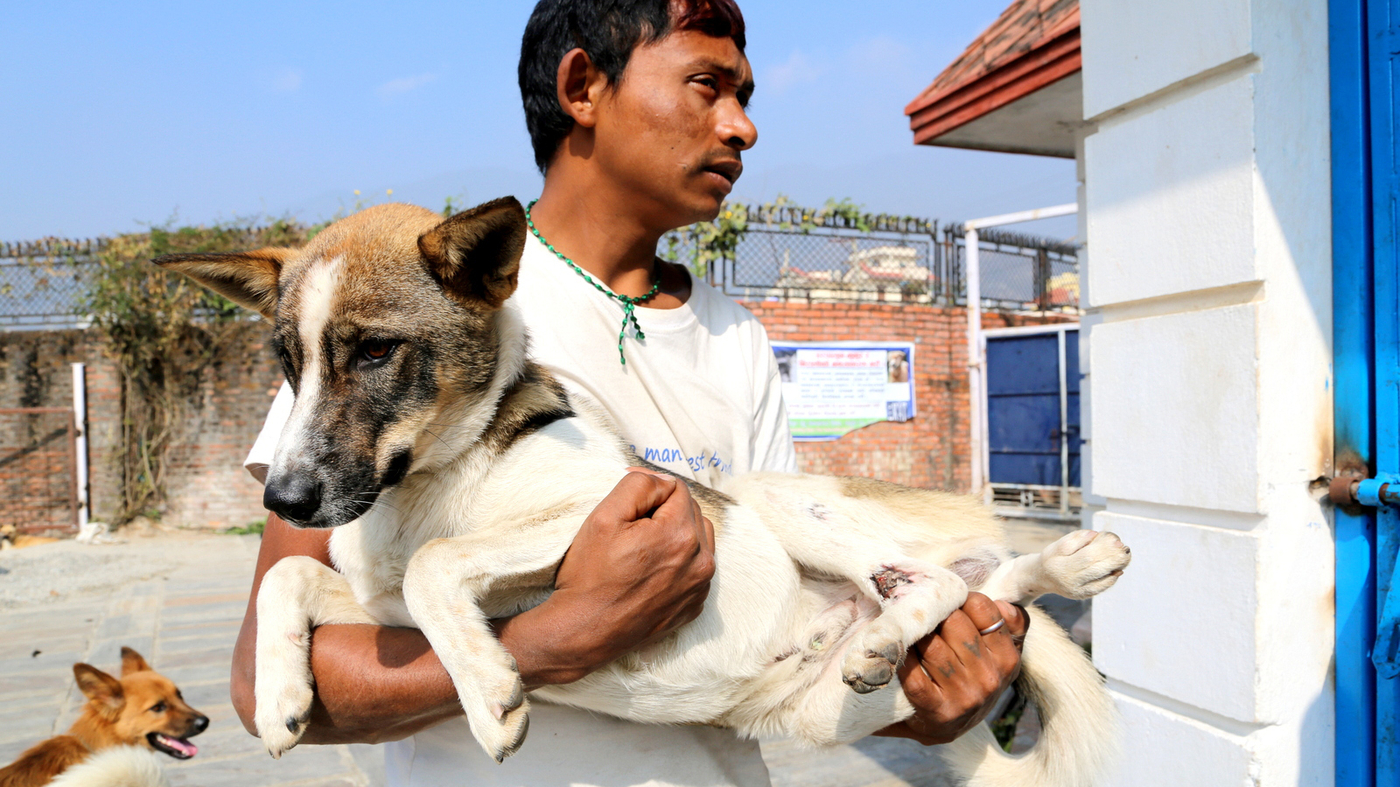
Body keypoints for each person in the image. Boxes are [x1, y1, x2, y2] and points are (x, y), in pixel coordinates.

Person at [230, 1, 1028, 784]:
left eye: (744, 96)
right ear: (583, 87)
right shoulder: (407, 310)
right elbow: (267, 685)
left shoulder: (737, 337)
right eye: (706, 85)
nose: (742, 126)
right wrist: (547, 644)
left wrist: (929, 701)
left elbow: (787, 638)